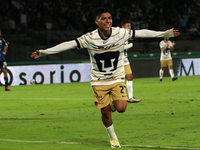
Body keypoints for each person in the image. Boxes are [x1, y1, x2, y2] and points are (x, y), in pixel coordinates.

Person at [31, 8, 180, 148]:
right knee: (105, 111)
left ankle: (115, 104)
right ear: (97, 22)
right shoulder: (90, 38)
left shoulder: (120, 33)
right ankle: (113, 137)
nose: (108, 21)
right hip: (99, 81)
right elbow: (69, 44)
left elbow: (142, 33)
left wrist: (164, 33)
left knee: (121, 108)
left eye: (109, 18)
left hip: (116, 78)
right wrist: (45, 52)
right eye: (104, 19)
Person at [121, 20, 141, 103]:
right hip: (118, 61)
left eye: (130, 25)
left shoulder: (127, 36)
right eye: (128, 25)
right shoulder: (119, 35)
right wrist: (128, 46)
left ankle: (130, 97)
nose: (130, 27)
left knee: (129, 77)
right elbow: (118, 48)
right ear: (123, 27)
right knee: (119, 80)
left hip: (125, 59)